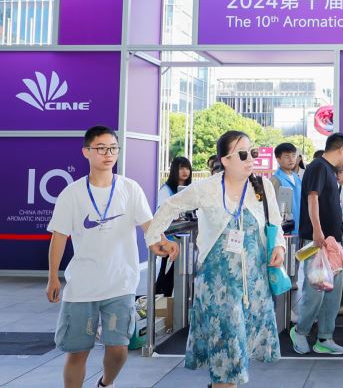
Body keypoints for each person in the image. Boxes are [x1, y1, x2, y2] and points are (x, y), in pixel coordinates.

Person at [145, 131, 285, 387]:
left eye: (252, 152)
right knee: (227, 359)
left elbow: (275, 222)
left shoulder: (262, 187)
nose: (250, 159)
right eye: (243, 154)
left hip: (254, 286)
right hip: (218, 286)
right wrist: (156, 238)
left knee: (239, 353)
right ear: (225, 160)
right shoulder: (207, 188)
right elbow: (169, 206)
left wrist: (279, 247)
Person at [46, 126, 176, 388]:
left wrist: (161, 243)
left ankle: (105, 383)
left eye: (113, 148)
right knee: (77, 353)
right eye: (101, 148)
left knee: (119, 350)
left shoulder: (130, 188)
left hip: (120, 284)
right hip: (82, 287)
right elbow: (59, 236)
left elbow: (148, 226)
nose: (108, 154)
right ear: (86, 152)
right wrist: (53, 278)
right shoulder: (72, 193)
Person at [291, 133, 343, 355]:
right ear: (342, 149)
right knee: (315, 291)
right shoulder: (318, 166)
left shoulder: (329, 170)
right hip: (317, 242)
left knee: (333, 293)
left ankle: (325, 337)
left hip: (333, 243)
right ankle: (300, 331)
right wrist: (317, 230)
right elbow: (312, 197)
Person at [155, 156, 193, 296]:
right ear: (174, 170)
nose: (185, 171)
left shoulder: (190, 189)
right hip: (170, 237)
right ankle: (159, 301)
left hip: (186, 237)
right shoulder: (166, 190)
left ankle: (168, 302)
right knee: (166, 273)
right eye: (181, 168)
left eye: (187, 168)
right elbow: (162, 213)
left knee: (177, 274)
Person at [271, 142, 303, 235]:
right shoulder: (275, 180)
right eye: (286, 156)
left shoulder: (297, 178)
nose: (291, 159)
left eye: (293, 155)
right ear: (278, 159)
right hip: (284, 230)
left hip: (299, 227)